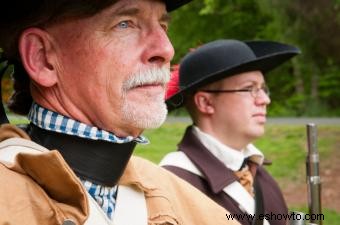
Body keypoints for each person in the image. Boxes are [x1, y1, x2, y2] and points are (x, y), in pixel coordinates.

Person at [0, 1, 242, 225]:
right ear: (42, 58)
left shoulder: (179, 197)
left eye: (162, 25)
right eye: (125, 24)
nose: (166, 49)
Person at [160, 39, 300, 225]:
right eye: (249, 89)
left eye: (263, 89)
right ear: (206, 103)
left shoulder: (261, 177)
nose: (265, 99)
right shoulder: (172, 185)